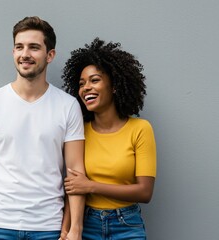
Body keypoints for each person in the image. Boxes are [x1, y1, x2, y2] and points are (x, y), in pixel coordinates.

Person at [0, 16, 85, 240]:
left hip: (49, 228)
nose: (25, 54)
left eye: (34, 47)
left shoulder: (68, 106)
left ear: (50, 55)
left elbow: (75, 171)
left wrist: (75, 228)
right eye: (19, 47)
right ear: (13, 52)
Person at [61, 38, 157, 240]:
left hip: (127, 225)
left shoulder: (140, 129)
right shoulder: (79, 132)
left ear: (114, 86)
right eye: (81, 83)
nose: (86, 87)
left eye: (94, 80)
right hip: (87, 225)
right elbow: (74, 186)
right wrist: (67, 229)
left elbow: (145, 192)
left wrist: (91, 186)